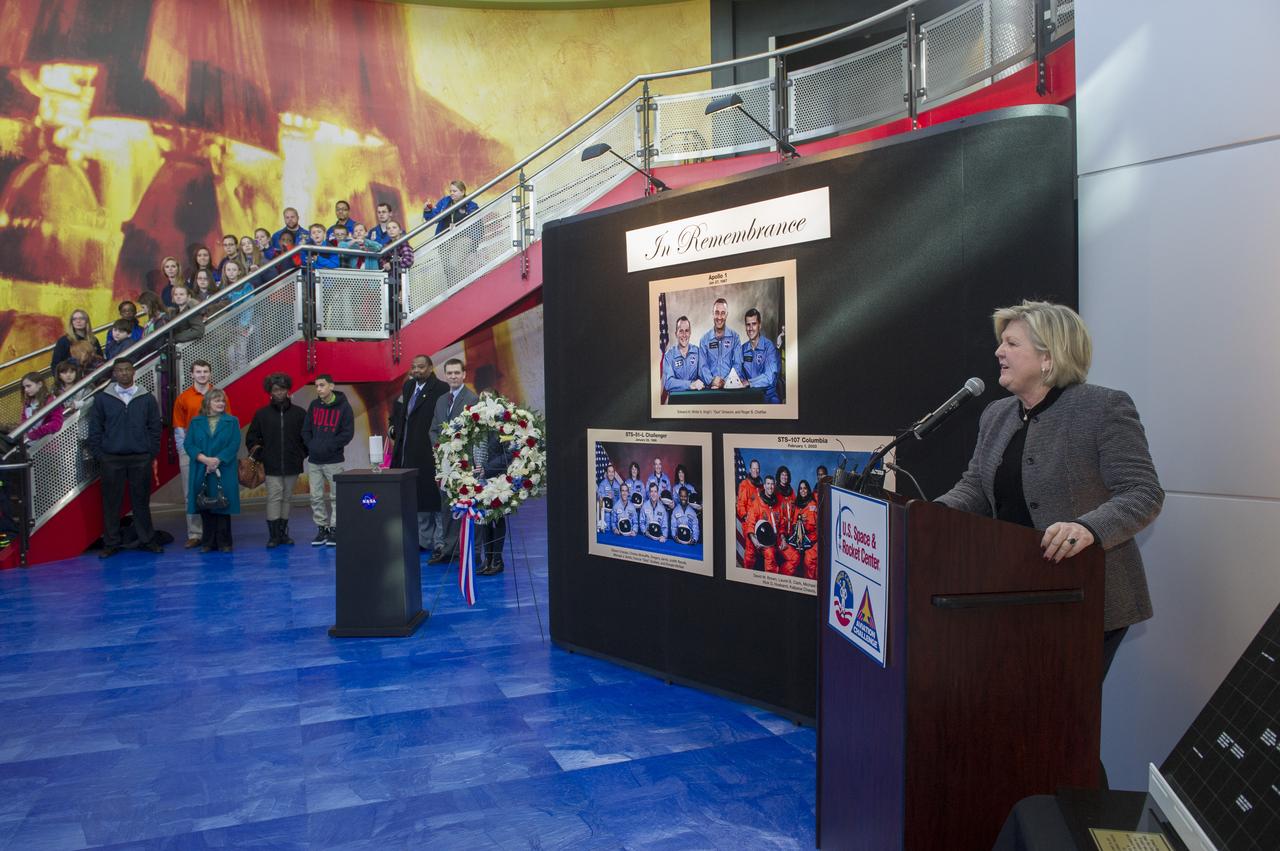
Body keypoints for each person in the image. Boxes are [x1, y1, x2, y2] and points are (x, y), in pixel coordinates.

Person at [935, 300, 1164, 682]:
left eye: (1011, 343)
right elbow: (976, 485)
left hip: (1084, 596)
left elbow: (1142, 493)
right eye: (1001, 343)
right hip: (1011, 589)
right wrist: (931, 513)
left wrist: (1087, 529)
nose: (998, 352)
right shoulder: (996, 413)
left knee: (1059, 716)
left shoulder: (1104, 407)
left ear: (1048, 357)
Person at [86, 359, 163, 558]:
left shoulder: (146, 398)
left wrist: (151, 452)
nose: (124, 373)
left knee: (141, 501)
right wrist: (100, 454)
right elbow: (95, 429)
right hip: (111, 458)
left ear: (133, 372)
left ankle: (147, 540)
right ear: (114, 373)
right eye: (119, 370)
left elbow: (155, 427)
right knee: (111, 503)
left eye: (127, 369)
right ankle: (111, 543)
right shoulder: (103, 398)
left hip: (140, 457)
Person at [388, 355, 448, 551]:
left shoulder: (441, 389)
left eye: (421, 367)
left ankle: (440, 543)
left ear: (431, 368)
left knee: (435, 498)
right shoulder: (408, 387)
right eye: (413, 367)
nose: (416, 370)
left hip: (431, 452)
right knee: (418, 498)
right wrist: (394, 429)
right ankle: (424, 541)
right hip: (410, 452)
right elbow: (401, 415)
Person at [245, 373, 306, 548]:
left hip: (293, 463)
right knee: (274, 497)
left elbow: (307, 437)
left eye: (282, 389)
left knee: (287, 498)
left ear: (288, 390)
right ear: (270, 392)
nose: (279, 393)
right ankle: (273, 535)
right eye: (275, 390)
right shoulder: (261, 414)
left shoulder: (300, 413)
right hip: (270, 465)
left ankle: (282, 533)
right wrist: (262, 454)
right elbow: (252, 438)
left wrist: (301, 453)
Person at [426, 358, 478, 563]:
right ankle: (449, 550)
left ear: (464, 374)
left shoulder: (472, 399)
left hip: (463, 463)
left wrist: (456, 450)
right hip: (444, 463)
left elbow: (473, 433)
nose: (454, 376)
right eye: (450, 373)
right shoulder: (440, 400)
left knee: (462, 506)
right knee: (446, 506)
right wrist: (441, 448)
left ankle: (463, 549)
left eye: (457, 373)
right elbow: (433, 429)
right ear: (445, 375)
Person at [173, 360, 226, 547]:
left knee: (216, 491)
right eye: (198, 372)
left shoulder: (220, 395)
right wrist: (183, 450)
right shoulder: (184, 398)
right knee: (191, 493)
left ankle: (215, 534)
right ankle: (195, 534)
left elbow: (226, 423)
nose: (202, 375)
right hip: (191, 451)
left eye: (205, 371)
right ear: (192, 374)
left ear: (210, 373)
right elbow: (179, 428)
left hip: (215, 453)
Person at [184, 388, 240, 553]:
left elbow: (234, 443)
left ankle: (225, 542)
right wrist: (204, 459)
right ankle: (207, 542)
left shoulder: (232, 421)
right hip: (202, 468)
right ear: (207, 403)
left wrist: (217, 460)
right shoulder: (195, 422)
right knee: (205, 505)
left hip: (223, 468)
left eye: (222, 401)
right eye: (217, 401)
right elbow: (188, 444)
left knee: (223, 505)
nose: (221, 404)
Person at [301, 374, 354, 547]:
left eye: (322, 385)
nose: (318, 389)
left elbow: (347, 433)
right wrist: (312, 445)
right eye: (316, 386)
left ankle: (335, 529)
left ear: (331, 386)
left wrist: (330, 446)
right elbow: (306, 430)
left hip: (334, 460)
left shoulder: (344, 407)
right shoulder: (314, 405)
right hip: (315, 460)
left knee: (336, 496)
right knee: (315, 496)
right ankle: (321, 529)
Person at [475, 430, 513, 575]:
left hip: (498, 478)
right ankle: (488, 559)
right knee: (484, 519)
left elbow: (509, 454)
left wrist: (488, 469)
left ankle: (497, 560)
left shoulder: (502, 424)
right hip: (480, 478)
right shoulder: (475, 424)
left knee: (497, 517)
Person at [734, 308, 780, 402]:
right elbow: (738, 374)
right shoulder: (742, 349)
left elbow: (769, 377)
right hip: (748, 396)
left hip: (767, 397)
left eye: (754, 324)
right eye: (748, 325)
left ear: (760, 325)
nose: (751, 328)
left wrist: (749, 383)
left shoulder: (769, 347)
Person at [698, 298, 739, 388]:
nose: (719, 317)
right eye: (717, 312)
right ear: (712, 314)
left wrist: (726, 382)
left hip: (730, 389)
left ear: (727, 315)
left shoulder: (735, 338)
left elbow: (738, 364)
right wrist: (712, 380)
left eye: (723, 313)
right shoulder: (704, 340)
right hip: (710, 390)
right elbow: (702, 367)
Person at [661, 316, 706, 393]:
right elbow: (668, 383)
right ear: (676, 334)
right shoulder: (669, 355)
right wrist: (690, 384)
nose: (684, 335)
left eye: (687, 331)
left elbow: (704, 376)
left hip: (696, 399)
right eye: (681, 331)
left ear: (690, 333)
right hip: (677, 401)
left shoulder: (698, 352)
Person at [17, 373, 63, 441]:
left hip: (48, 443)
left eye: (28, 386)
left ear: (39, 384)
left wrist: (36, 433)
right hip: (30, 443)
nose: (26, 390)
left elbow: (56, 424)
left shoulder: (51, 400)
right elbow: (23, 418)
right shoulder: (27, 402)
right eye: (24, 387)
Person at [792, 479, 819, 579]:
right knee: (795, 560)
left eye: (805, 488)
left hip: (813, 541)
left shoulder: (812, 504)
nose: (803, 490)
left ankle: (810, 584)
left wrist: (804, 524)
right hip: (801, 540)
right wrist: (798, 525)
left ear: (808, 490)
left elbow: (814, 525)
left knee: (809, 561)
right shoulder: (797, 505)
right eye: (801, 489)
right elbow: (794, 523)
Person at [596, 463, 621, 532]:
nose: (611, 474)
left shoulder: (617, 485)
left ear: (614, 473)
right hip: (605, 511)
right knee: (606, 529)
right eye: (609, 472)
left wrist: (613, 498)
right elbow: (599, 496)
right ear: (606, 473)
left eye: (612, 472)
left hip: (615, 511)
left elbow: (620, 500)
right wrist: (606, 497)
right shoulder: (602, 484)